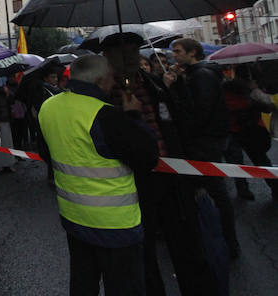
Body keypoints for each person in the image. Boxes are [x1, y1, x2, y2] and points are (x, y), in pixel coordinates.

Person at [102, 32, 217, 296]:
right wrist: (129, 118)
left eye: (132, 51)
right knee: (143, 252)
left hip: (172, 177)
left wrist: (194, 173)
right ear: (108, 58)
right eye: (120, 53)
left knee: (186, 243)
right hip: (134, 183)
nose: (127, 58)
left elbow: (179, 125)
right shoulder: (105, 95)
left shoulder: (155, 84)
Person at [38, 54, 159, 296]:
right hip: (115, 223)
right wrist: (134, 117)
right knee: (124, 287)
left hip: (73, 217)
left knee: (83, 283)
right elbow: (147, 157)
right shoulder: (105, 115)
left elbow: (45, 153)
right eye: (112, 77)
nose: (114, 81)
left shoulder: (48, 106)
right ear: (101, 79)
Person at [164, 38, 238, 258]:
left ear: (192, 52)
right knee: (211, 189)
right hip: (206, 139)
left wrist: (174, 90)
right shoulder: (196, 74)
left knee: (216, 190)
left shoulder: (201, 76)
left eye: (178, 52)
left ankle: (228, 241)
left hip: (205, 141)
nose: (174, 56)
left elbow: (198, 111)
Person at [222, 65, 278, 201]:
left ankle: (272, 188)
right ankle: (246, 190)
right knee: (243, 162)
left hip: (247, 129)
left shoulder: (252, 88)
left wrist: (255, 94)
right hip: (238, 129)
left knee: (258, 161)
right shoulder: (229, 88)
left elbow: (266, 107)